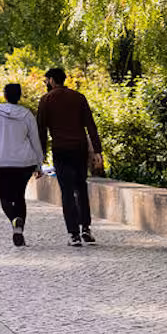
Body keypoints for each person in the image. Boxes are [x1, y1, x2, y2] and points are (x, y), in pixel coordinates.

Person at [37, 67, 103, 247]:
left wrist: (40, 156)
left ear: (51, 80)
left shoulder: (46, 100)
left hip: (61, 150)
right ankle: (86, 229)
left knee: (67, 191)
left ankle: (73, 234)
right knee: (81, 188)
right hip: (79, 149)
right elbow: (91, 125)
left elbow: (41, 130)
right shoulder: (79, 97)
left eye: (46, 81)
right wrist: (97, 151)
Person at [0, 83, 44, 247]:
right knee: (19, 196)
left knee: (5, 198)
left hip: (3, 162)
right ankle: (19, 228)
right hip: (24, 163)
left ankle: (15, 219)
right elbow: (35, 140)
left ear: (5, 95)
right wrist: (39, 164)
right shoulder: (27, 115)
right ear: (19, 96)